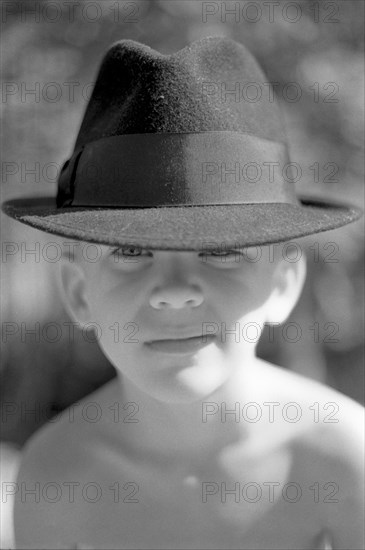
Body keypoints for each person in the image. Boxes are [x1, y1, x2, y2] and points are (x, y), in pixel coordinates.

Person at [2, 36, 364, 550]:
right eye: (129, 253)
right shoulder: (55, 477)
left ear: (283, 284)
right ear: (78, 293)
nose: (174, 294)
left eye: (220, 252)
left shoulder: (345, 461)